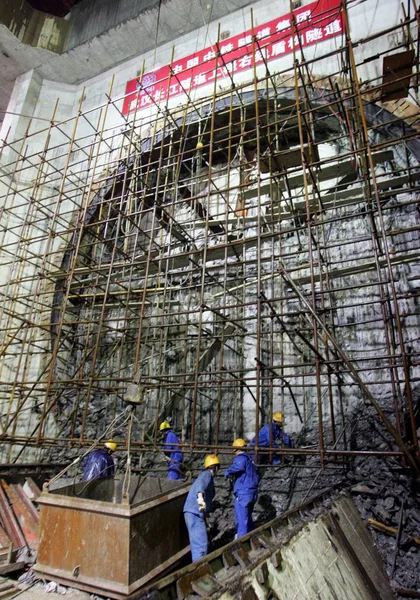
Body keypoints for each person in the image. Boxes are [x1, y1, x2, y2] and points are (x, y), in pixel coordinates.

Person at [183, 454, 220, 562]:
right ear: (216, 468)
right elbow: (200, 486)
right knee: (201, 544)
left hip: (193, 512)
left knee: (197, 544)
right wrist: (200, 499)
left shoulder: (206, 476)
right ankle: (199, 570)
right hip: (195, 512)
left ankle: (198, 568)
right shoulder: (206, 474)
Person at [225, 438, 259, 538]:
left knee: (241, 520)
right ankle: (253, 539)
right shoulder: (250, 460)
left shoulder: (241, 458)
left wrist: (228, 471)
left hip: (243, 493)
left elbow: (239, 467)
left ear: (236, 450)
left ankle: (242, 544)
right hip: (252, 493)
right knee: (248, 519)